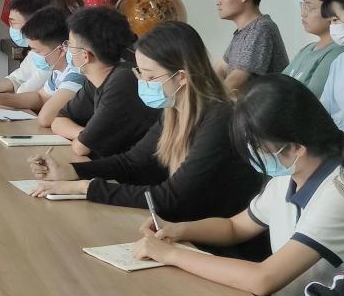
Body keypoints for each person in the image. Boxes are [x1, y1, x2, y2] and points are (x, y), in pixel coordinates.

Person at [132, 75, 344, 296]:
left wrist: (171, 255)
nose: (253, 155)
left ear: (296, 147)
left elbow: (263, 279)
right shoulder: (289, 175)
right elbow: (235, 227)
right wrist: (178, 230)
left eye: (258, 148)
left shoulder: (338, 193)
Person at [28, 22, 264, 224]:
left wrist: (84, 187)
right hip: (183, 225)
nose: (142, 82)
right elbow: (132, 162)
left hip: (212, 239)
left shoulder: (220, 118)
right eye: (140, 73)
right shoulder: (174, 110)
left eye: (150, 76)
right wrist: (70, 170)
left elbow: (170, 197)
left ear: (182, 77)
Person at [51, 6, 160, 158]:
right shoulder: (94, 80)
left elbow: (81, 148)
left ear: (85, 55)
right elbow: (58, 121)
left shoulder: (124, 81)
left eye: (69, 45)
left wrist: (86, 139)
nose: (66, 49)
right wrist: (85, 135)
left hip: (131, 171)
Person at [0, 7, 83, 127]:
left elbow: (45, 118)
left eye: (37, 52)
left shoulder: (76, 75)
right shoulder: (58, 72)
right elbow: (40, 97)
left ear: (61, 50)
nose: (33, 55)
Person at [214, 0, 289, 95]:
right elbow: (221, 67)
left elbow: (237, 79)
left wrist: (207, 100)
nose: (218, 2)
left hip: (268, 106)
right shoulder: (242, 32)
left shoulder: (262, 27)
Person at [0, 0, 54, 99]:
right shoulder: (34, 52)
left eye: (13, 23)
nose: (11, 28)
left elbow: (26, 93)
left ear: (33, 24)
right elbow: (19, 77)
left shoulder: (55, 56)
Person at [284, 0, 344, 97]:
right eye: (303, 6)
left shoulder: (339, 52)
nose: (303, 14)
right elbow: (278, 82)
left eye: (310, 8)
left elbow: (312, 99)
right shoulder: (308, 48)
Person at [320, 0, 344, 132]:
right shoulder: (340, 62)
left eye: (335, 20)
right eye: (330, 22)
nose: (333, 26)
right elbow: (324, 110)